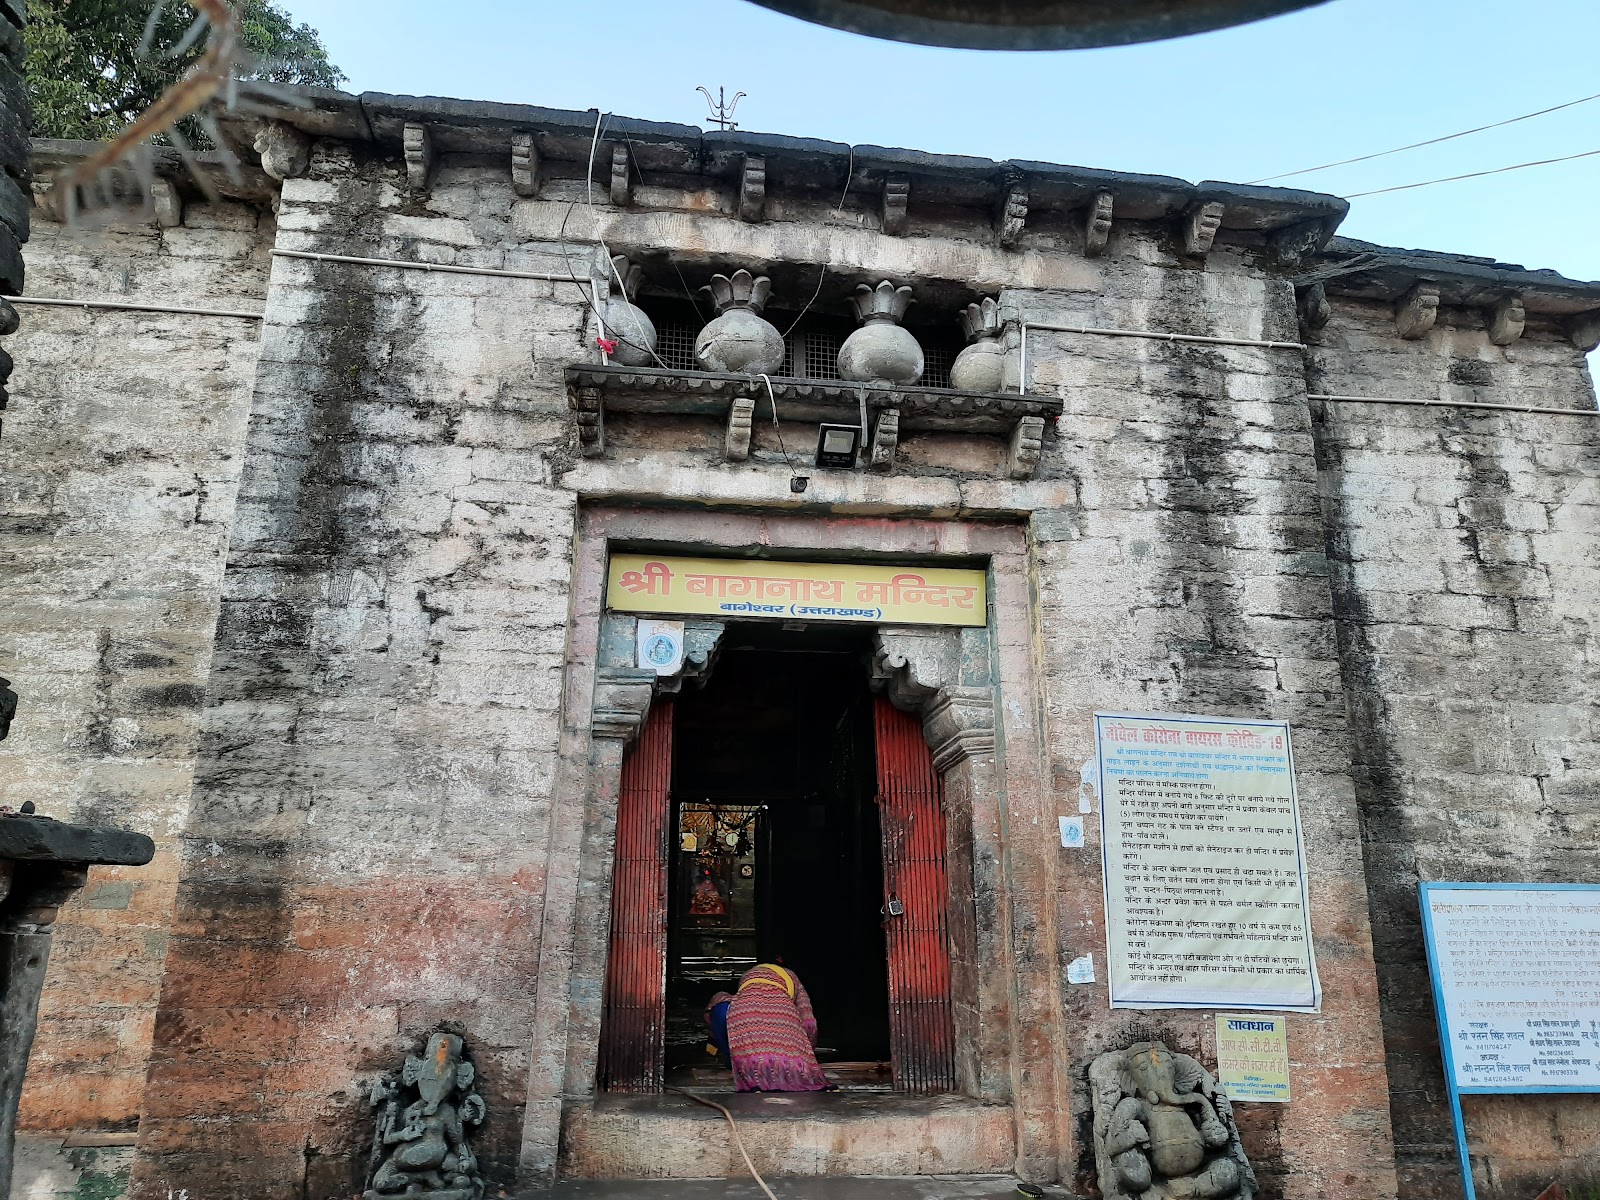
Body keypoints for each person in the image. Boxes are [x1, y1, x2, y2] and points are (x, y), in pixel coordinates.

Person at [724, 962, 833, 1092]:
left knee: (753, 1050)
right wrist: (807, 1052)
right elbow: (809, 1023)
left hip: (743, 1009)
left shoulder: (747, 976)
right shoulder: (794, 980)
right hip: (781, 1007)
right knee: (790, 1060)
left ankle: (756, 1081)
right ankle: (784, 1079)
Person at [704, 991, 733, 1065]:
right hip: (732, 1014)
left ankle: (728, 1062)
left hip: (720, 1013)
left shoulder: (716, 1005)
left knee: (720, 1038)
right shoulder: (733, 1001)